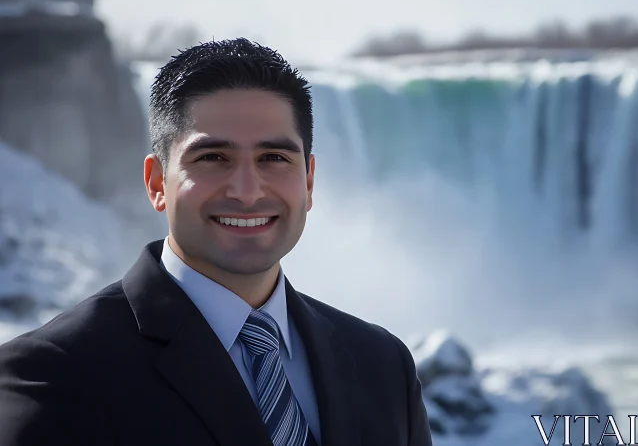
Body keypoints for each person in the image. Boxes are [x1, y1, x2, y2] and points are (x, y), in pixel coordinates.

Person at [0, 38, 432, 446]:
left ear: (309, 180)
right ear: (156, 183)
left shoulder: (382, 365)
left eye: (274, 158)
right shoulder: (53, 374)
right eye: (213, 158)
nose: (247, 191)